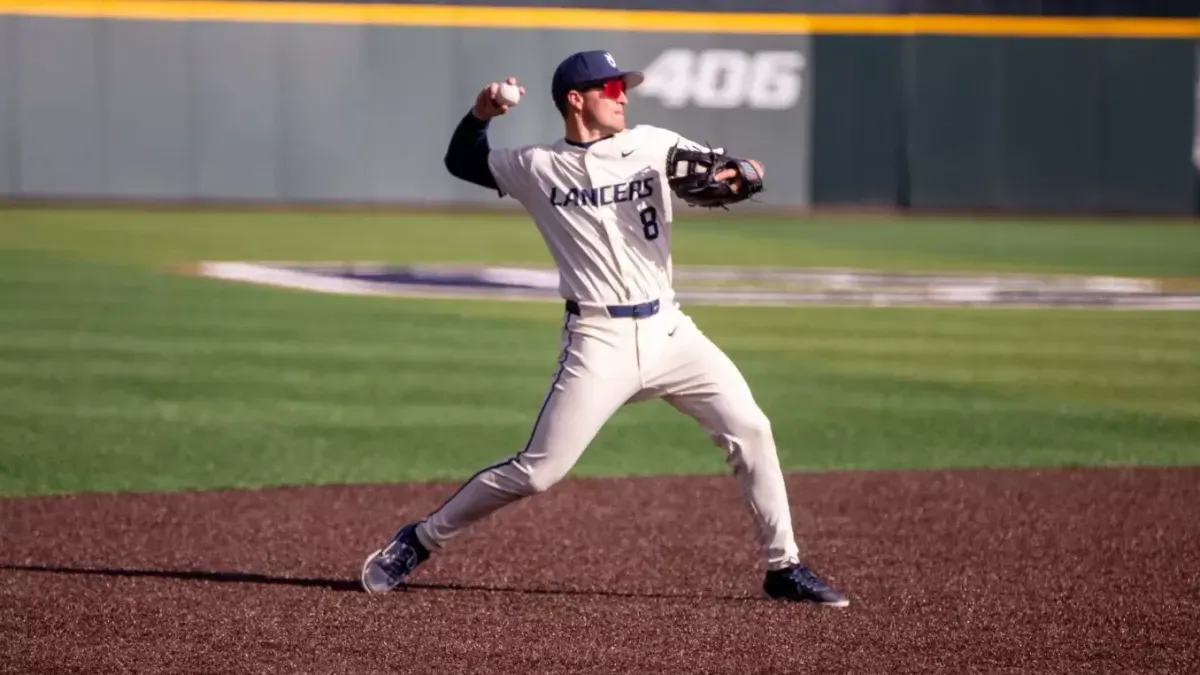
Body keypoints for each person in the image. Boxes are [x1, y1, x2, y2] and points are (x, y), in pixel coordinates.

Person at [359, 49, 848, 607]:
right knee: (537, 473)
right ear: (577, 99)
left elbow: (726, 169)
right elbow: (463, 162)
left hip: (671, 331)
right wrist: (482, 113)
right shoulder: (536, 166)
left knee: (752, 428)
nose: (622, 96)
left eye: (623, 87)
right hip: (598, 340)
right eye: (610, 88)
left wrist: (745, 173)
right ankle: (419, 540)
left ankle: (783, 565)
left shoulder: (653, 143)